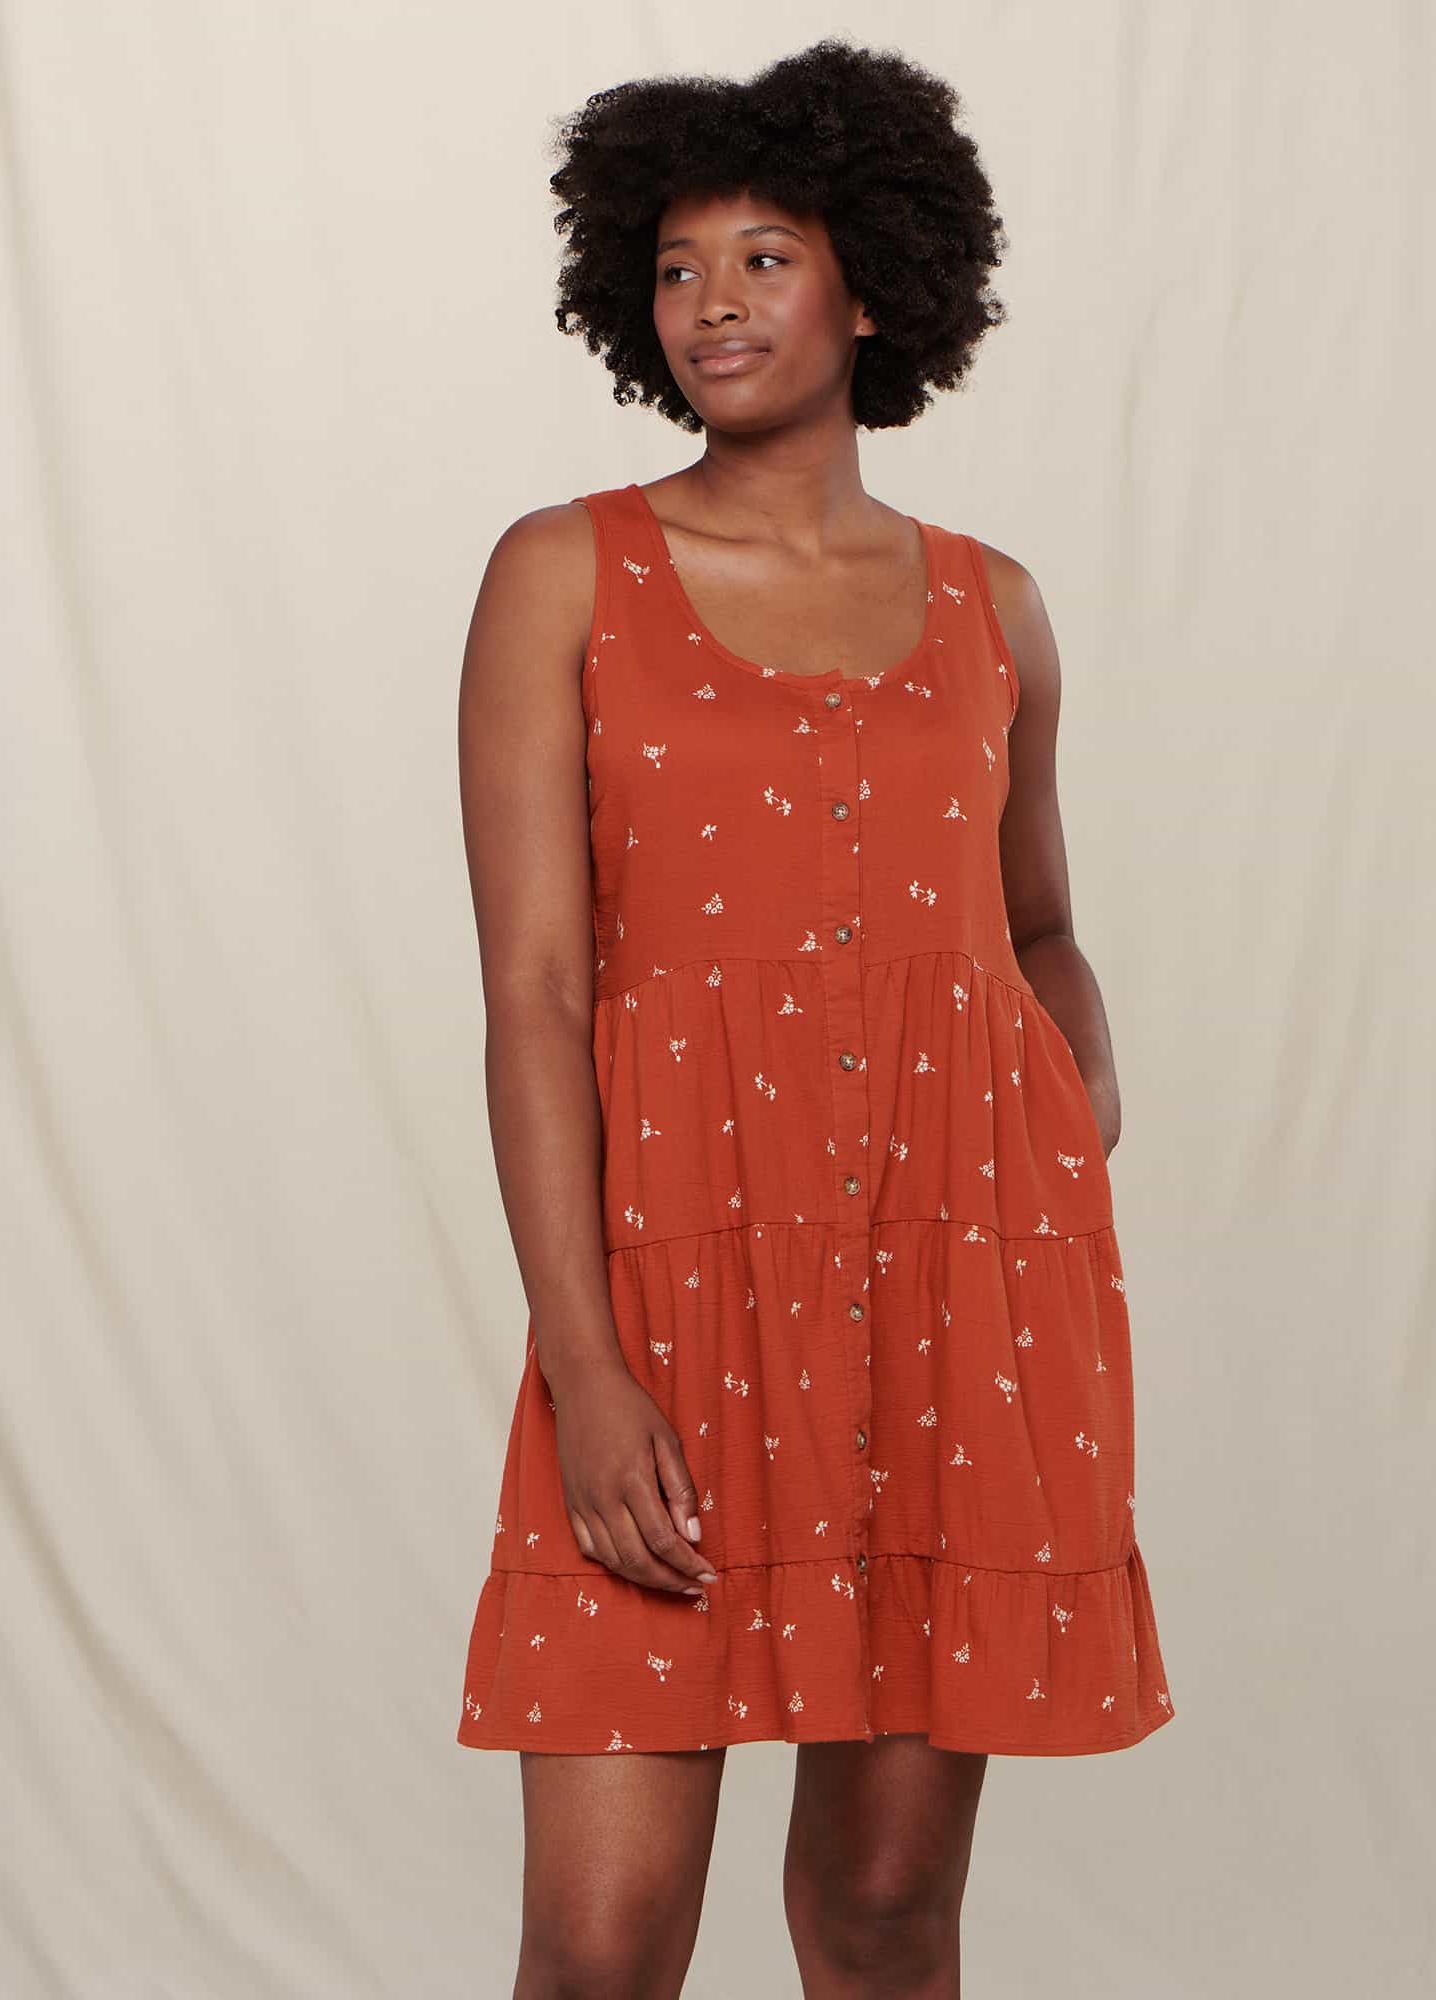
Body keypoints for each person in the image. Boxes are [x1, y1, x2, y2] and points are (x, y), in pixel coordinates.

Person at [455, 36, 1174, 1998]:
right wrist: (584, 1366)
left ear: (874, 286)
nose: (713, 304)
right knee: (602, 1944)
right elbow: (533, 990)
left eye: (764, 259)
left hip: (951, 1295)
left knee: (880, 1918)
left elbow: (1038, 922)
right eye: (677, 268)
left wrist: (1080, 1071)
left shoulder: (992, 607)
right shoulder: (564, 576)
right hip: (671, 1312)